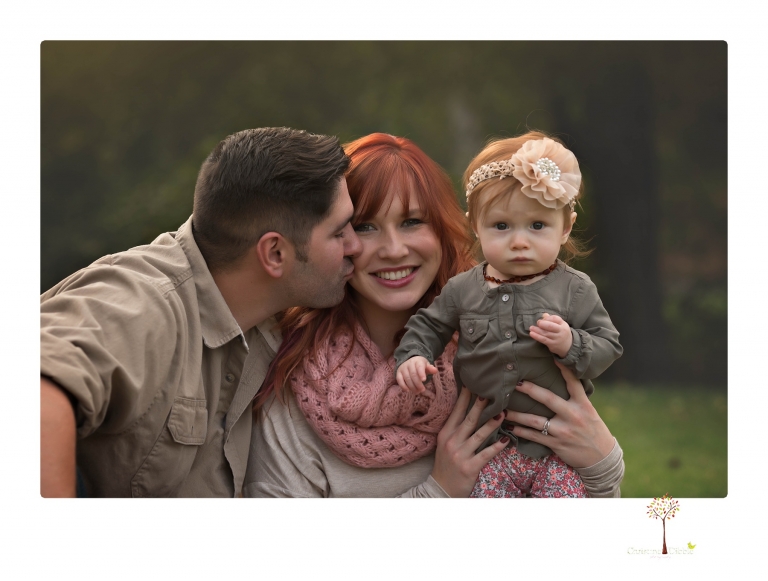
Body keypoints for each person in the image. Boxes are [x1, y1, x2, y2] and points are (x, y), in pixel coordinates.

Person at [244, 133, 624, 498]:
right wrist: (438, 492)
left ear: (444, 227)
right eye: (366, 226)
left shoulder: (494, 348)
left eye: (412, 222)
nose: (394, 250)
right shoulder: (296, 378)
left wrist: (602, 462)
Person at [40, 127, 363, 497]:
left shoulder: (269, 319)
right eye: (340, 233)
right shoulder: (144, 305)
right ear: (275, 253)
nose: (357, 245)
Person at [394, 131, 622, 498]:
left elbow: (608, 345)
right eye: (501, 226)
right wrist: (415, 355)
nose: (519, 241)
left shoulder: (575, 289)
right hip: (488, 450)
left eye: (537, 226)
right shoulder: (462, 289)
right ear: (475, 226)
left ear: (565, 227)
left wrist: (571, 343)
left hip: (557, 452)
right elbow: (429, 325)